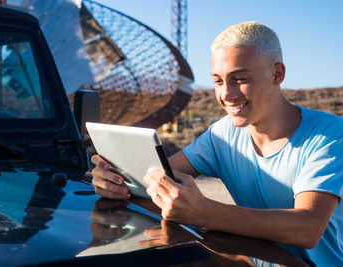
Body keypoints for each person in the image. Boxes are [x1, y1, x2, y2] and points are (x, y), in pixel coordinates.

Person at [91, 21, 343, 265]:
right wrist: (118, 182)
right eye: (218, 81)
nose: (226, 94)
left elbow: (308, 228)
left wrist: (204, 213)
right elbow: (156, 177)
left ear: (277, 74)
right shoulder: (222, 135)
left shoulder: (329, 134)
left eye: (240, 79)